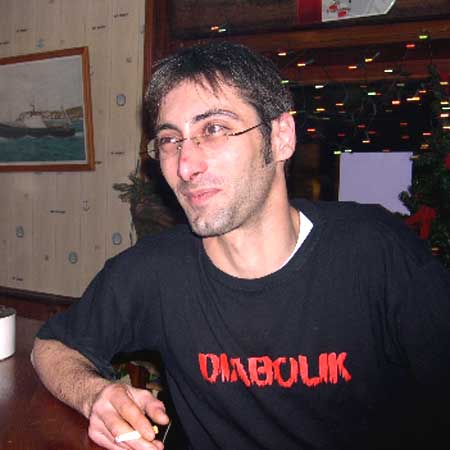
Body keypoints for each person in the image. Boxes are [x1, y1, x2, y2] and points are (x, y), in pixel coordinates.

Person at [31, 41, 450, 450]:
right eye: (170, 140)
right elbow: (51, 347)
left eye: (213, 129)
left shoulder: (378, 253)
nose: (185, 166)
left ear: (281, 137)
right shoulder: (154, 271)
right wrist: (95, 395)